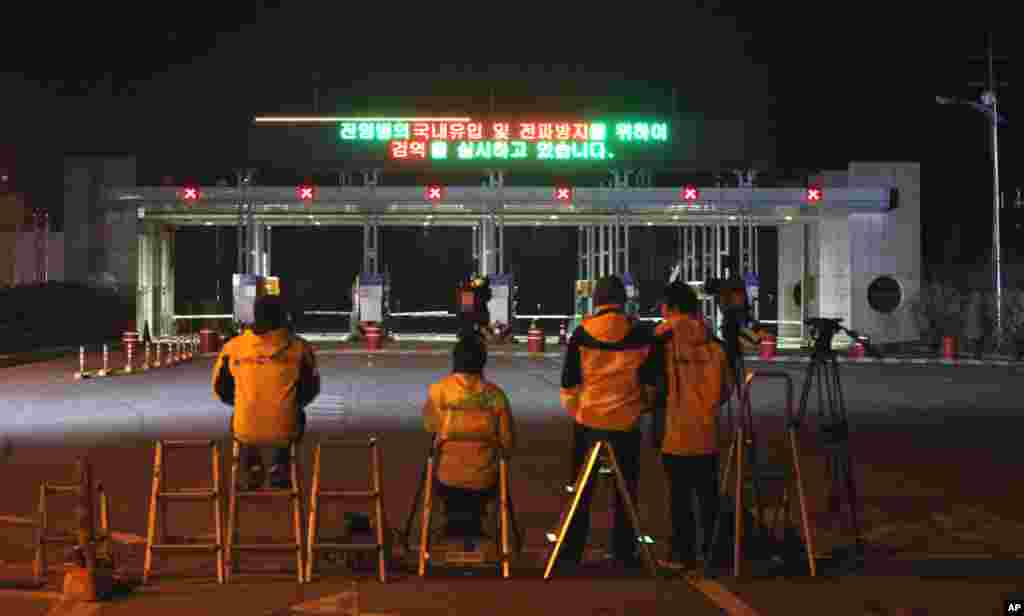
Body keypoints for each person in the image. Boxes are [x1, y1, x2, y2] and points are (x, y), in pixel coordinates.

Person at [558, 275, 656, 570]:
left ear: (596, 299)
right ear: (623, 300)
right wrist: (638, 409)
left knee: (580, 490)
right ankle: (625, 551)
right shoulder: (639, 334)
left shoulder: (582, 334)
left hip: (589, 420)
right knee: (626, 490)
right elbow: (650, 384)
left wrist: (579, 412)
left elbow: (569, 383)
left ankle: (571, 550)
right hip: (626, 423)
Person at [639, 281, 734, 572]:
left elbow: (649, 383)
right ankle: (715, 552)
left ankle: (683, 553)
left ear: (671, 307)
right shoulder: (714, 344)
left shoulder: (662, 341)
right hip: (706, 427)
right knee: (708, 493)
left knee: (679, 496)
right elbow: (727, 389)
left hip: (673, 427)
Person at [213, 294, 320, 490]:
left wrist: (242, 400)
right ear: (283, 316)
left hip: (245, 428)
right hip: (286, 427)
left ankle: (252, 464)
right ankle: (281, 464)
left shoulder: (233, 348)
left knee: (240, 416)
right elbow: (312, 388)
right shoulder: (299, 348)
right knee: (297, 415)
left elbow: (220, 389)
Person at [422, 332, 515, 541]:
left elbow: (430, 427)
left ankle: (452, 527)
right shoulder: (495, 395)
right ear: (483, 361)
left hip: (448, 479)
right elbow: (507, 441)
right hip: (485, 480)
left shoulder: (439, 391)